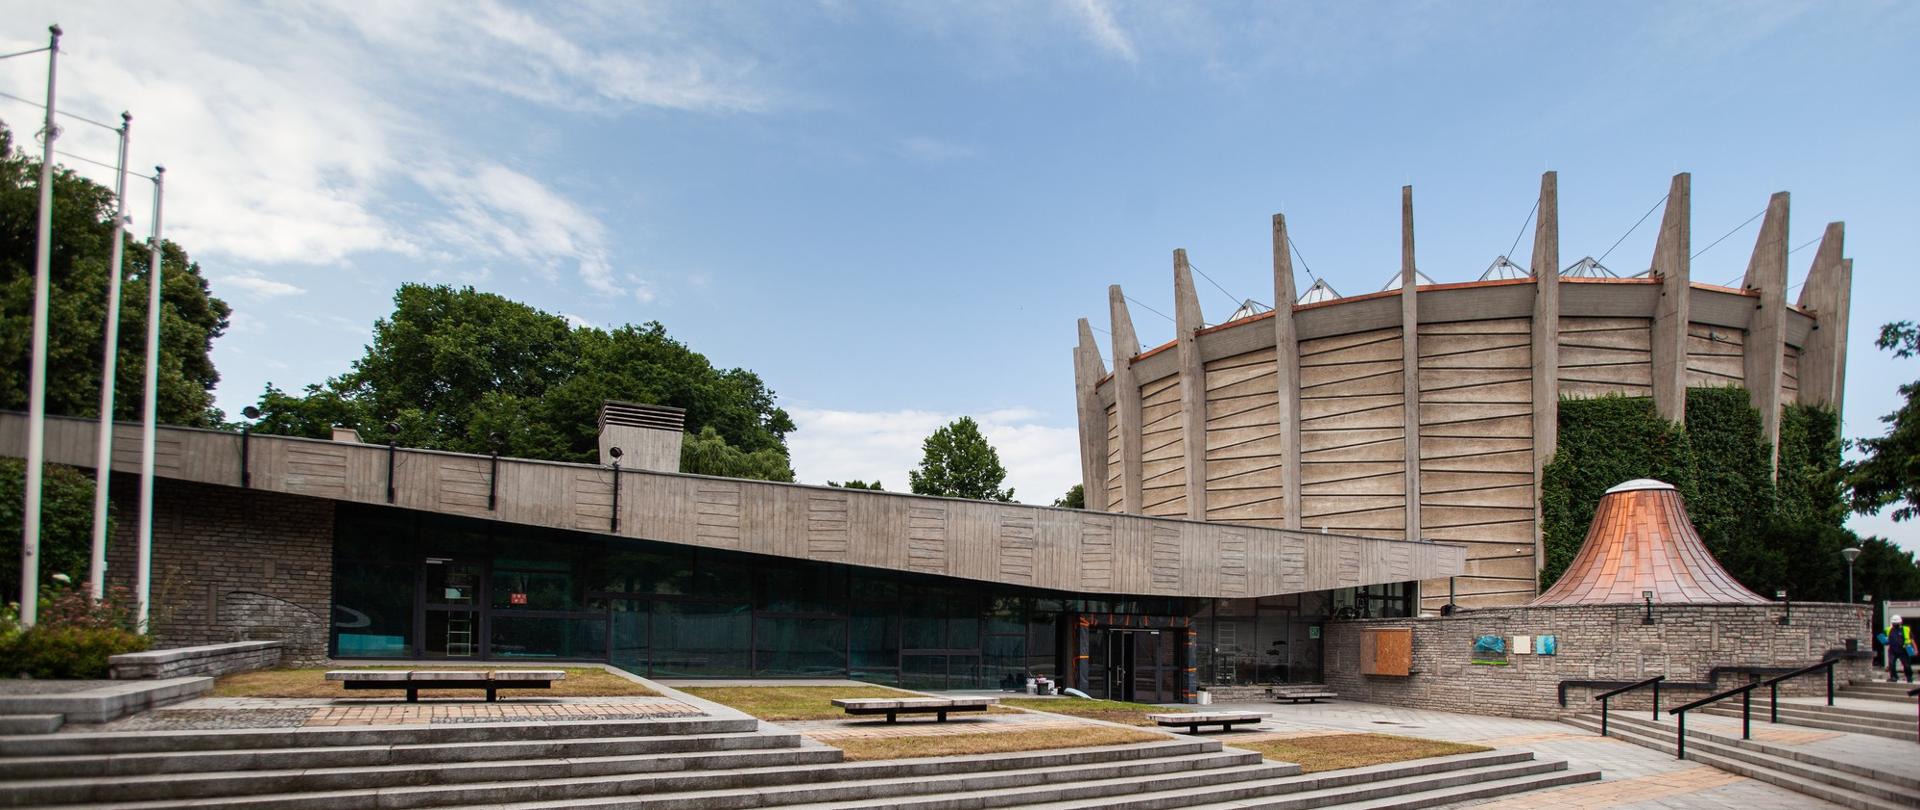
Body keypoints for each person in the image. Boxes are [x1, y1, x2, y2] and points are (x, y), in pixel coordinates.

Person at [1886, 615, 1914, 684]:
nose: (1895, 624)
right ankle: (1894, 677)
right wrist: (1884, 641)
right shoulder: (1888, 629)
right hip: (1892, 650)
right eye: (1894, 623)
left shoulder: (1906, 629)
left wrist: (1914, 648)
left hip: (1903, 650)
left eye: (1896, 623)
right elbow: (1882, 636)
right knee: (1891, 664)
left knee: (1906, 665)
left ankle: (1909, 677)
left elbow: (1911, 639)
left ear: (1900, 622)